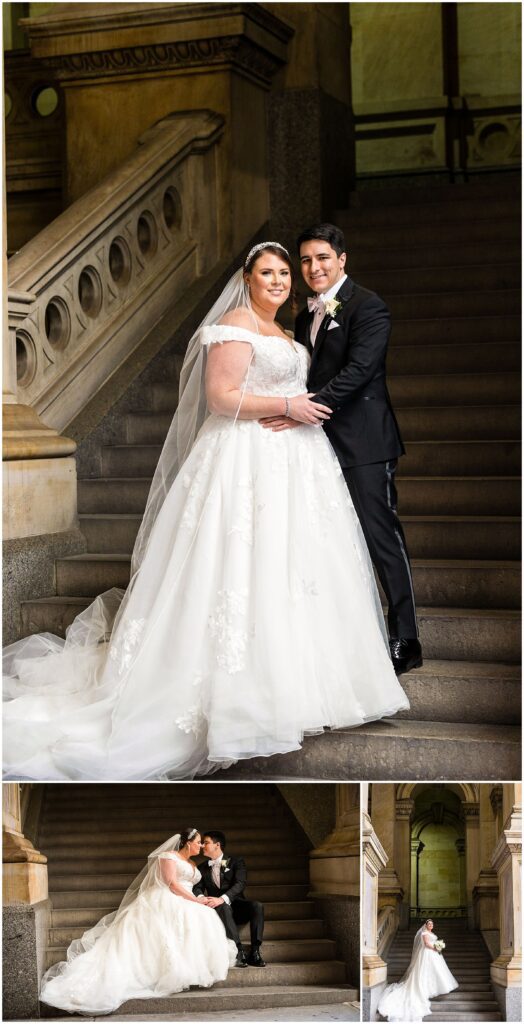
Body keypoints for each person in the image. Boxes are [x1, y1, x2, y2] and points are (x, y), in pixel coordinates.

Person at [3, 241, 409, 781]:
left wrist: (297, 408)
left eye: (285, 273)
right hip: (243, 459)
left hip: (297, 464)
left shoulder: (287, 333)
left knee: (296, 570)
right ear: (246, 277)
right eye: (268, 272)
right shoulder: (235, 324)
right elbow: (221, 397)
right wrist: (288, 405)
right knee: (239, 566)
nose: (280, 280)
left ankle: (303, 683)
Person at [261, 224, 422, 675]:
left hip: (364, 441)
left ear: (342, 259)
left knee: (380, 538)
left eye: (323, 258)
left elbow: (359, 371)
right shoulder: (301, 315)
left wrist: (299, 410)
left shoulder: (369, 307)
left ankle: (405, 638)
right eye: (306, 260)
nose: (314, 268)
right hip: (317, 445)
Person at [39, 829, 236, 1015]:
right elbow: (172, 884)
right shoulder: (167, 857)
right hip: (167, 897)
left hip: (186, 897)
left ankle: (194, 969)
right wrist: (195, 900)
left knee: (204, 916)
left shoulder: (194, 864)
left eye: (203, 843)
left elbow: (192, 885)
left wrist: (199, 899)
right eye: (199, 842)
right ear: (187, 842)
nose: (201, 846)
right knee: (190, 915)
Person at [195, 830, 265, 968]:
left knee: (257, 906)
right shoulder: (202, 868)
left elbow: (240, 883)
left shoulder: (235, 862)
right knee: (223, 907)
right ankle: (239, 952)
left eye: (206, 842)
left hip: (236, 905)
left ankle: (255, 952)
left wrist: (222, 898)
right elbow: (197, 887)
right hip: (218, 910)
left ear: (217, 845)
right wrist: (203, 898)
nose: (203, 846)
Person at [378, 919, 458, 1022]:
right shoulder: (424, 932)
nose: (431, 925)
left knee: (436, 971)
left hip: (434, 954)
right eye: (429, 924)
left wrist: (438, 947)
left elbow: (433, 942)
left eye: (432, 924)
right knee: (424, 971)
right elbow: (426, 943)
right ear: (426, 925)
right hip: (427, 953)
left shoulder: (432, 933)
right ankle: (424, 989)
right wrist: (435, 947)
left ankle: (433, 988)